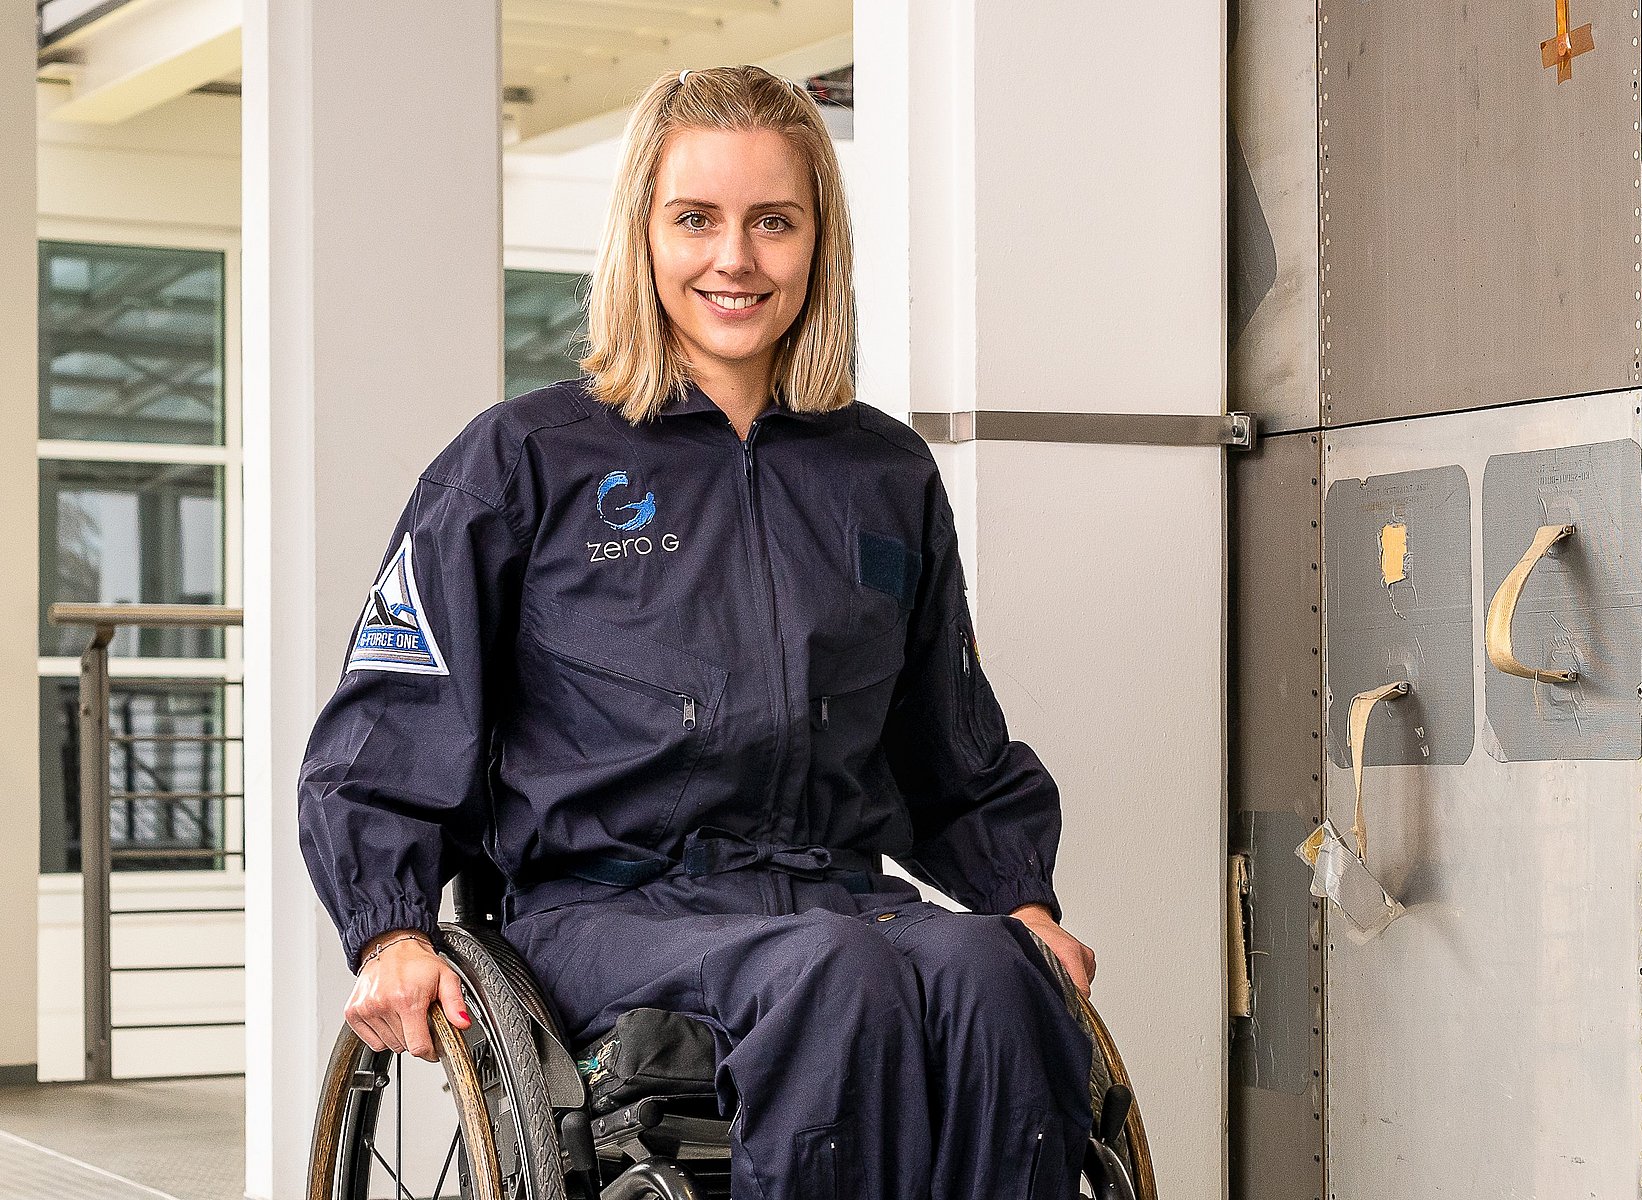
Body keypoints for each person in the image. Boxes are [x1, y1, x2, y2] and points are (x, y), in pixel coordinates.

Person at [297, 64, 1098, 1199]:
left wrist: (1018, 896)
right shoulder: (523, 462)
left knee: (989, 970)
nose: (737, 258)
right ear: (643, 234)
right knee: (838, 974)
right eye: (697, 219)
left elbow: (948, 743)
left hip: (830, 892)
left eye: (774, 221)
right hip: (603, 912)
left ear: (819, 241)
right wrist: (388, 931)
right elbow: (388, 730)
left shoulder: (883, 473)